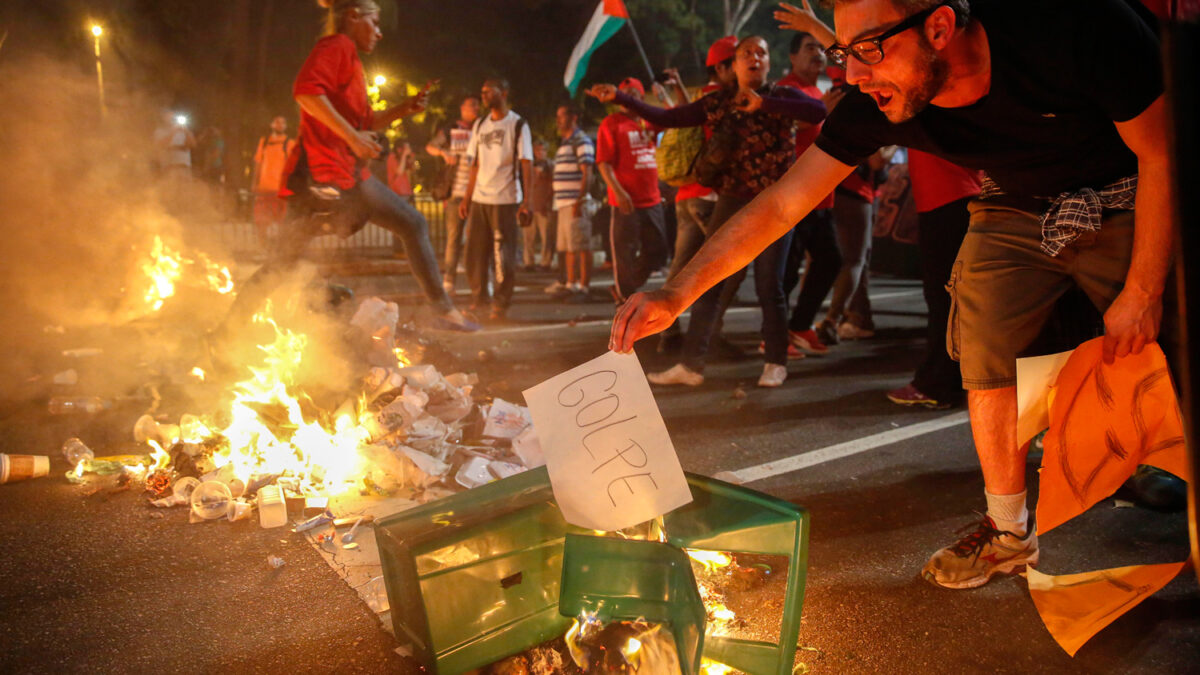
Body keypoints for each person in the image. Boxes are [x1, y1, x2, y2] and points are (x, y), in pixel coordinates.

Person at [614, 0, 1172, 589]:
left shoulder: (1071, 27)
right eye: (844, 55)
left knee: (1164, 343)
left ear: (938, 27)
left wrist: (1142, 290)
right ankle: (1008, 532)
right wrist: (675, 293)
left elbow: (1163, 153)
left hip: (1128, 190)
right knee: (981, 334)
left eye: (870, 50)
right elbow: (782, 203)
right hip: (1014, 201)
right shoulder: (877, 103)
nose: (853, 76)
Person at [214, 0, 476, 347]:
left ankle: (443, 311)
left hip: (347, 175)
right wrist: (351, 137)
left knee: (412, 224)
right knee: (285, 263)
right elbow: (306, 92)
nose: (380, 32)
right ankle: (229, 332)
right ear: (353, 16)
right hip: (322, 177)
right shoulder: (337, 46)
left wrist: (403, 108)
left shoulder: (350, 59)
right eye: (375, 22)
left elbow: (364, 122)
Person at [591, 36, 827, 388]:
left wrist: (763, 104)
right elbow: (667, 116)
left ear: (768, 63)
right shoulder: (719, 102)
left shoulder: (783, 97)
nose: (754, 58)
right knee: (708, 284)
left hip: (776, 203)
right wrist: (621, 98)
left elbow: (817, 112)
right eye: (746, 53)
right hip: (731, 199)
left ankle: (775, 361)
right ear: (734, 65)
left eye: (761, 52)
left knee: (769, 285)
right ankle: (691, 366)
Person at [656, 37, 737, 354]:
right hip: (710, 198)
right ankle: (708, 337)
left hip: (686, 197)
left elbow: (682, 116)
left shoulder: (697, 102)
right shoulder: (725, 102)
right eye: (738, 61)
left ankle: (669, 333)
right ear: (721, 67)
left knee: (679, 270)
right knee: (724, 271)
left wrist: (677, 88)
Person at [886, 148, 981, 409]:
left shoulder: (935, 106)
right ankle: (950, 380)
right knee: (950, 298)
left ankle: (938, 384)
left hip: (949, 198)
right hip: (949, 197)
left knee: (945, 298)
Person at [459, 77, 533, 321]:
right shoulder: (480, 124)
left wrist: (527, 201)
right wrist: (466, 198)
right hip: (481, 199)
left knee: (503, 256)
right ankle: (480, 300)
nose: (484, 95)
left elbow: (526, 163)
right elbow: (475, 164)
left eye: (489, 91)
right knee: (475, 254)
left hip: (506, 199)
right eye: (482, 92)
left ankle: (500, 304)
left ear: (504, 92)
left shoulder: (518, 124)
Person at [593, 77, 669, 305]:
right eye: (623, 94)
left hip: (652, 199)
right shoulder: (611, 123)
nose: (627, 99)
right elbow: (603, 163)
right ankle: (625, 297)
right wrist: (619, 192)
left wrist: (664, 97)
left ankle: (630, 284)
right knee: (623, 254)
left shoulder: (649, 121)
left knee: (659, 250)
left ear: (642, 98)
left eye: (633, 94)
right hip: (624, 201)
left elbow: (674, 117)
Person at [425, 94, 480, 293]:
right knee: (453, 239)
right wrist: (444, 153)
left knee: (476, 239)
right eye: (470, 105)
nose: (474, 109)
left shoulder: (481, 128)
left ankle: (479, 282)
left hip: (476, 194)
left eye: (476, 105)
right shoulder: (451, 128)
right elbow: (431, 146)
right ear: (462, 108)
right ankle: (449, 281)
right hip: (455, 192)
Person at [550, 103, 596, 299]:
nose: (559, 120)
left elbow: (588, 172)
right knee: (569, 246)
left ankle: (584, 286)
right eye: (558, 116)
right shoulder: (564, 142)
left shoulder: (581, 140)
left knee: (581, 245)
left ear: (573, 117)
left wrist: (580, 200)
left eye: (562, 115)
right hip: (562, 203)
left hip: (574, 202)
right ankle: (571, 283)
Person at [251, 116, 297, 246]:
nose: (280, 125)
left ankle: (283, 249)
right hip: (264, 188)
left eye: (283, 122)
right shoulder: (264, 142)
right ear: (271, 125)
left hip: (281, 189)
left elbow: (293, 166)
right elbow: (258, 163)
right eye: (277, 122)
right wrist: (254, 182)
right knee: (261, 222)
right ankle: (264, 248)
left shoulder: (289, 143)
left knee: (283, 221)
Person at [523, 138, 555, 272]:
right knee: (528, 237)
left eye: (543, 150)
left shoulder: (551, 165)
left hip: (544, 206)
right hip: (530, 205)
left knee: (546, 237)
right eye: (538, 150)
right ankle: (528, 263)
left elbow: (553, 186)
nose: (540, 153)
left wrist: (548, 203)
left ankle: (545, 263)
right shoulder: (529, 165)